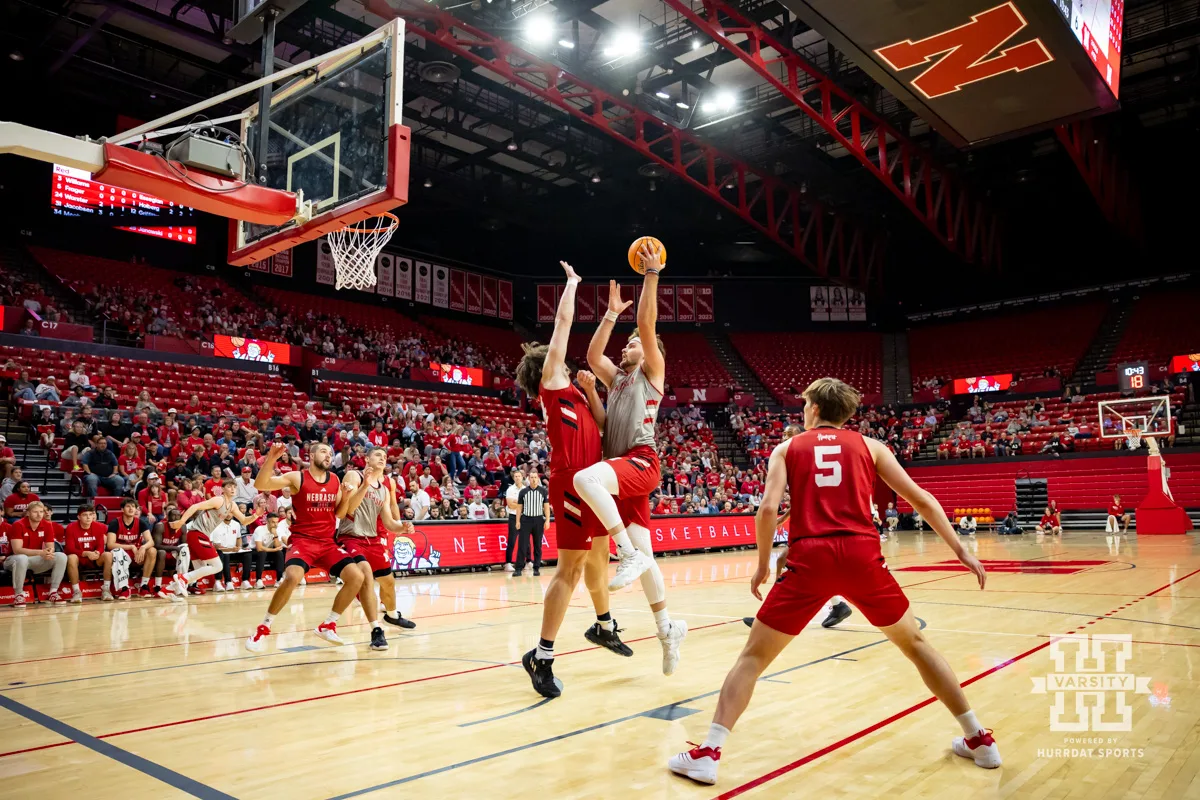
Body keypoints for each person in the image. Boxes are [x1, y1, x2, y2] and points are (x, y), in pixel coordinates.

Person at [668, 378, 998, 785]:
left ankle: (710, 752)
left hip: (812, 557)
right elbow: (921, 499)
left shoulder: (787, 448)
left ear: (813, 408)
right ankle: (979, 738)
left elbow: (768, 508)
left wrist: (761, 564)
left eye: (804, 404)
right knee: (916, 645)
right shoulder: (872, 447)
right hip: (862, 554)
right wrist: (961, 549)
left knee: (752, 658)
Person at [514, 260, 632, 700]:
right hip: (571, 483)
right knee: (570, 569)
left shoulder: (578, 397)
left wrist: (595, 394)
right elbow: (563, 320)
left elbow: (602, 433)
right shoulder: (551, 382)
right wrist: (572, 285)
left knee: (598, 561)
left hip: (594, 482)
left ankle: (603, 624)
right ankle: (542, 655)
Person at [578, 244, 686, 675]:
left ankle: (625, 552)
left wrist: (652, 274)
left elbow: (646, 321)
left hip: (640, 462)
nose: (629, 343)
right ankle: (667, 628)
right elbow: (591, 358)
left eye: (634, 341)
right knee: (647, 555)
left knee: (587, 481)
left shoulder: (652, 371)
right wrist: (609, 315)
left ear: (651, 349)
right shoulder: (618, 379)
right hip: (620, 468)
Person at [244, 442, 383, 652]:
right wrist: (272, 458)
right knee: (292, 577)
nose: (328, 455)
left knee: (357, 577)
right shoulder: (297, 477)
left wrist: (348, 496)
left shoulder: (335, 480)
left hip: (327, 543)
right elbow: (261, 484)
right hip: (303, 541)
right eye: (323, 451)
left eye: (330, 452)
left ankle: (329, 624)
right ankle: (263, 627)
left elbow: (339, 514)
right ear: (310, 455)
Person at [338, 447, 417, 631]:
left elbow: (389, 521)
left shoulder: (385, 487)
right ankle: (375, 628)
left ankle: (392, 615)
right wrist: (365, 485)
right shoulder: (354, 475)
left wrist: (403, 527)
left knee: (388, 581)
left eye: (385, 456)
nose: (383, 459)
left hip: (372, 537)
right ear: (366, 459)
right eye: (378, 455)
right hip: (351, 535)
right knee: (366, 576)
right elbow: (347, 509)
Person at [170, 481, 255, 597]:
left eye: (234, 487)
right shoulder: (218, 500)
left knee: (200, 570)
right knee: (217, 566)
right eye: (229, 486)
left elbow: (244, 521)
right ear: (223, 489)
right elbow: (195, 506)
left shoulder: (233, 505)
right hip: (198, 533)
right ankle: (182, 578)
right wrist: (181, 522)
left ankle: (170, 589)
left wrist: (256, 515)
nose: (232, 489)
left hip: (198, 535)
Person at [8, 502, 68, 607]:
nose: (39, 514)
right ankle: (18, 595)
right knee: (22, 558)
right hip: (13, 560)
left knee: (61, 556)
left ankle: (53, 592)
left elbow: (51, 547)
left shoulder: (47, 525)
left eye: (41, 512)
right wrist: (41, 552)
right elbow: (17, 550)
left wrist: (48, 553)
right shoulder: (18, 524)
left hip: (34, 560)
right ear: (28, 513)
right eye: (35, 512)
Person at [106, 498, 157, 598]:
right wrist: (131, 546)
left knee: (152, 551)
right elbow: (110, 544)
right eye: (128, 506)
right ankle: (124, 587)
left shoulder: (141, 522)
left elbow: (151, 541)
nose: (131, 509)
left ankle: (144, 585)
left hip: (136, 554)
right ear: (122, 509)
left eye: (133, 507)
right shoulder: (115, 523)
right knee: (118, 551)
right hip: (120, 555)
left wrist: (143, 547)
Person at [64, 504, 114, 602]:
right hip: (79, 557)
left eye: (91, 514)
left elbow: (101, 546)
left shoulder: (99, 526)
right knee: (71, 557)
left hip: (94, 558)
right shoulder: (71, 527)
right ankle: (76, 592)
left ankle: (106, 589)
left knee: (108, 555)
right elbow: (69, 549)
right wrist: (85, 553)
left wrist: (97, 553)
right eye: (85, 515)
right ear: (78, 517)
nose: (88, 517)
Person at [513, 472, 549, 575]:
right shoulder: (523, 492)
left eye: (535, 477)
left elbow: (546, 506)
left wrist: (547, 520)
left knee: (538, 545)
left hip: (538, 520)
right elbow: (519, 507)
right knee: (522, 545)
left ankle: (536, 568)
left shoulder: (543, 491)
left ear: (538, 479)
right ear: (528, 479)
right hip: (526, 520)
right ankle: (518, 568)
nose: (533, 479)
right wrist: (517, 521)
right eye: (531, 477)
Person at [152, 508, 186, 598]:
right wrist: (175, 548)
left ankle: (183, 584)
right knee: (162, 552)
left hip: (173, 553)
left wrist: (179, 549)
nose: (176, 517)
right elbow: (157, 545)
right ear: (168, 517)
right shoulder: (160, 526)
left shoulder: (182, 526)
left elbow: (183, 545)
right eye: (173, 515)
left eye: (178, 515)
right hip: (160, 553)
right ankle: (157, 586)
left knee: (185, 551)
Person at [250, 514, 287, 589]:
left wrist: (275, 535)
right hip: (254, 551)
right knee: (262, 553)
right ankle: (258, 580)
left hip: (268, 550)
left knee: (279, 553)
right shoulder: (259, 529)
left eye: (277, 522)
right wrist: (274, 550)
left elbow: (278, 546)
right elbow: (259, 548)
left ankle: (279, 579)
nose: (275, 524)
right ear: (267, 521)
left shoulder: (277, 530)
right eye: (273, 522)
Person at [503, 469, 525, 571]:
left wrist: (517, 503)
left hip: (524, 516)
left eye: (519, 476)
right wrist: (521, 504)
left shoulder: (526, 489)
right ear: (513, 478)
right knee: (512, 540)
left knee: (525, 541)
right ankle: (508, 563)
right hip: (513, 516)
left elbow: (528, 505)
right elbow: (510, 505)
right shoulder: (510, 489)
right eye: (515, 476)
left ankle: (527, 561)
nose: (517, 478)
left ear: (522, 477)